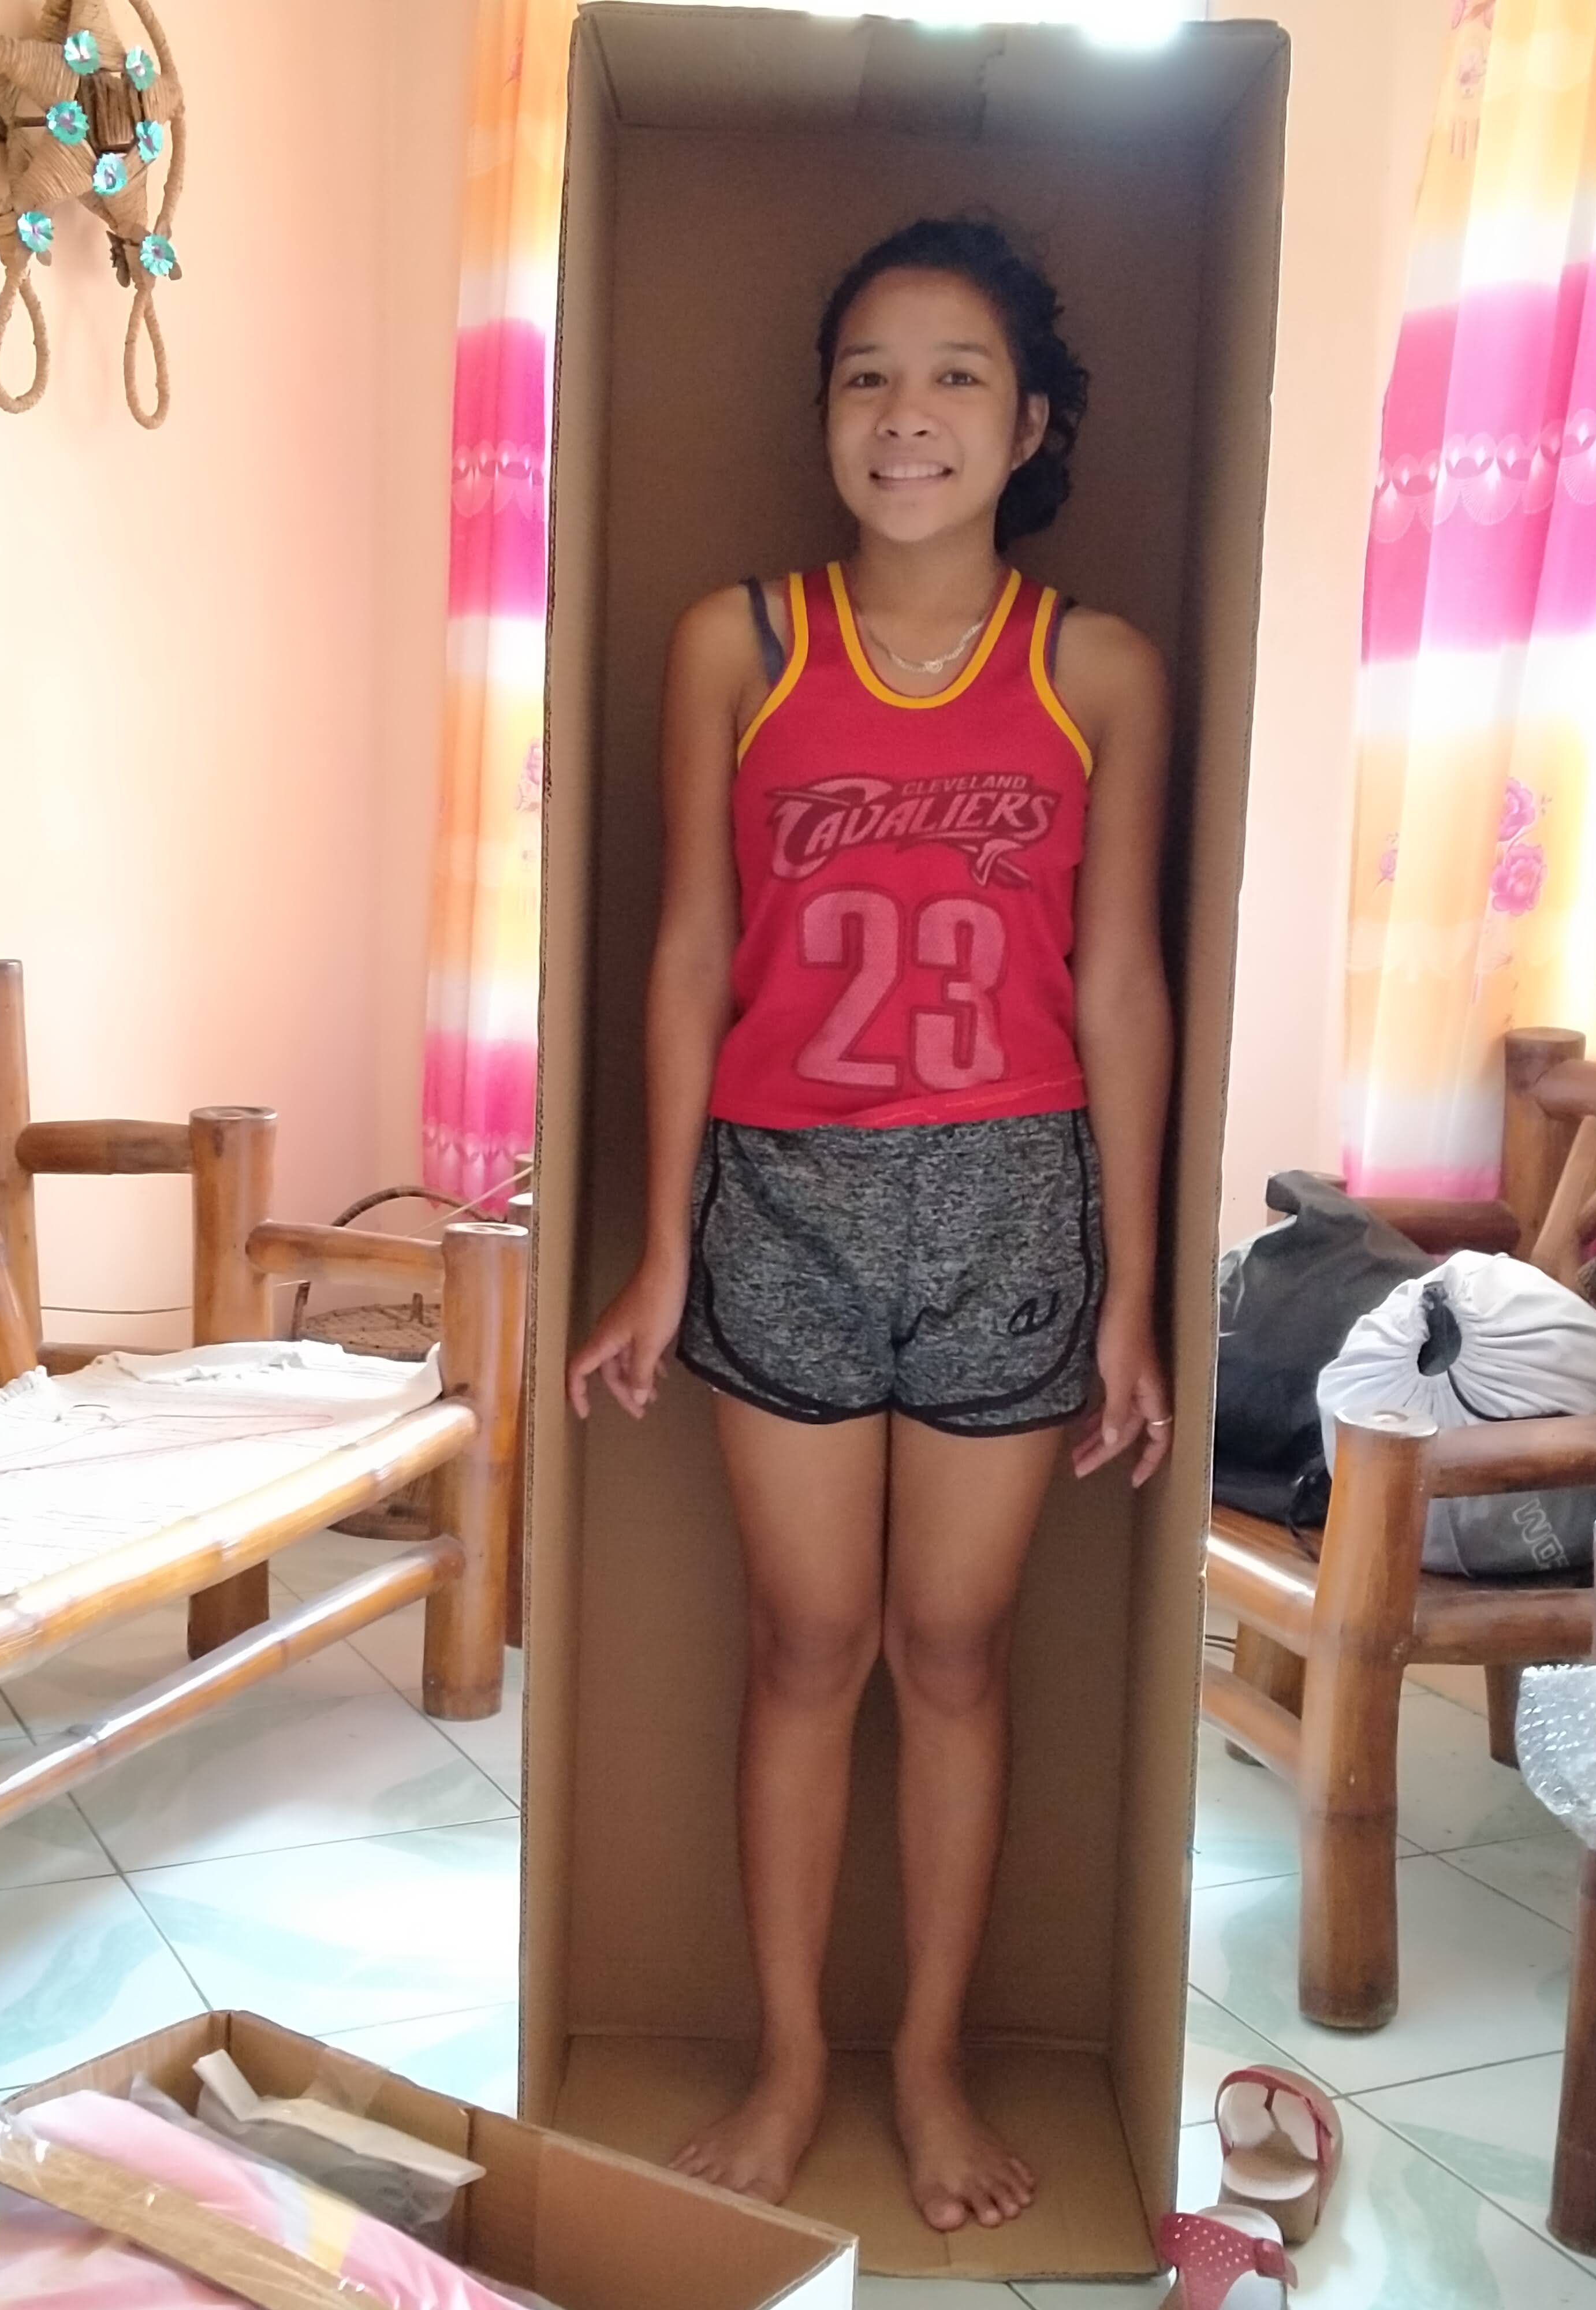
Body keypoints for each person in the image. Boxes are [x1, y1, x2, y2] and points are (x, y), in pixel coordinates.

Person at [567, 215, 1173, 2236]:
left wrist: (1133, 1295)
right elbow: (687, 950)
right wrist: (663, 1247)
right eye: (867, 375)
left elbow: (1119, 984)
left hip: (1015, 1198)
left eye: (957, 375)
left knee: (956, 1647)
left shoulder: (1096, 667)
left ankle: (925, 2062)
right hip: (781, 1195)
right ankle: (789, 2057)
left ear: (1033, 424)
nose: (907, 413)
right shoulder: (739, 644)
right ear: (825, 413)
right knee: (809, 1643)